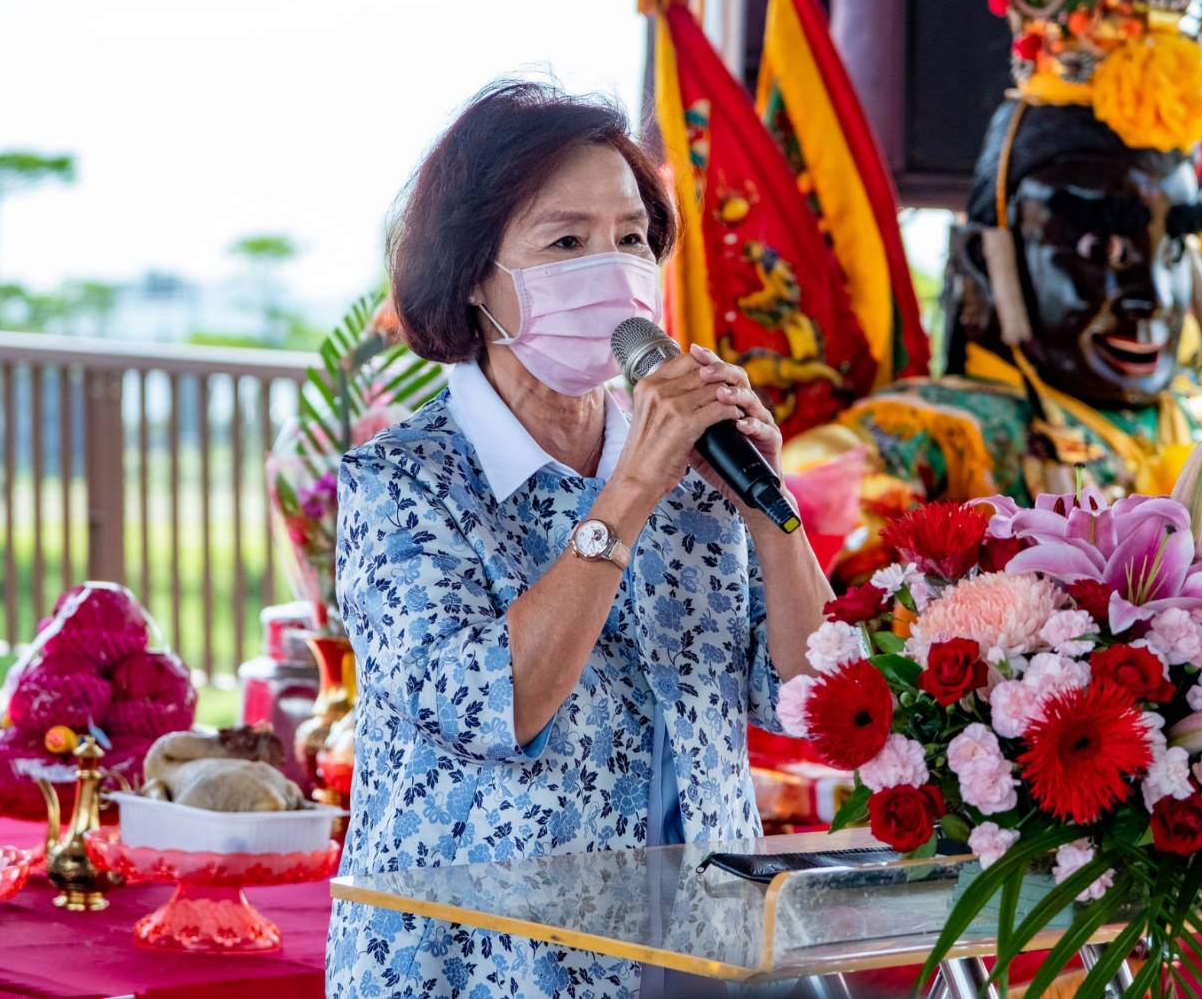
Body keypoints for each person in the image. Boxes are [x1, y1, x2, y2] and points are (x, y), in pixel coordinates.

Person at [325, 81, 831, 998]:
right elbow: (498, 706)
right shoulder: (401, 485)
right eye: (566, 242)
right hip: (481, 965)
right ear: (475, 273)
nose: (612, 268)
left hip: (698, 956)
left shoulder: (692, 461)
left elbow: (815, 698)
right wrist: (631, 490)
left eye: (632, 237)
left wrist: (769, 505)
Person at [786, 0, 1202, 582]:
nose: (1149, 298)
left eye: (1173, 249)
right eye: (1101, 252)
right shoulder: (940, 442)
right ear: (992, 265)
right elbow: (784, 525)